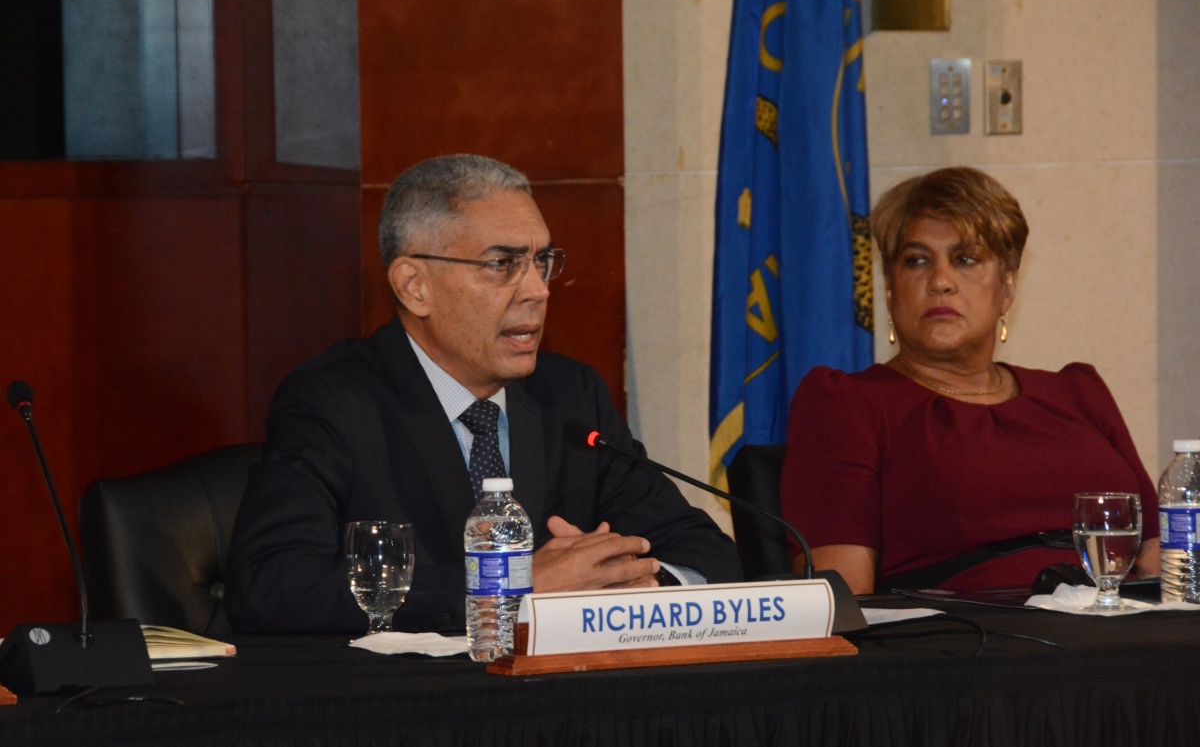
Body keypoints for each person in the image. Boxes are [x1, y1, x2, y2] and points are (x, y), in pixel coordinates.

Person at [227, 154, 741, 633]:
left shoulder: (569, 396)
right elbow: (273, 582)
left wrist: (637, 588)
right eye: (503, 264)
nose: (538, 289)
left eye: (542, 260)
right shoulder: (333, 402)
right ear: (414, 286)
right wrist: (507, 590)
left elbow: (706, 552)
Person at [779, 167, 1160, 594]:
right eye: (916, 261)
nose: (940, 282)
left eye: (965, 259)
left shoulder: (1077, 392)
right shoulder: (846, 403)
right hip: (972, 646)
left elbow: (1158, 551)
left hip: (1123, 633)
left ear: (1007, 289)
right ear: (890, 289)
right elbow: (842, 602)